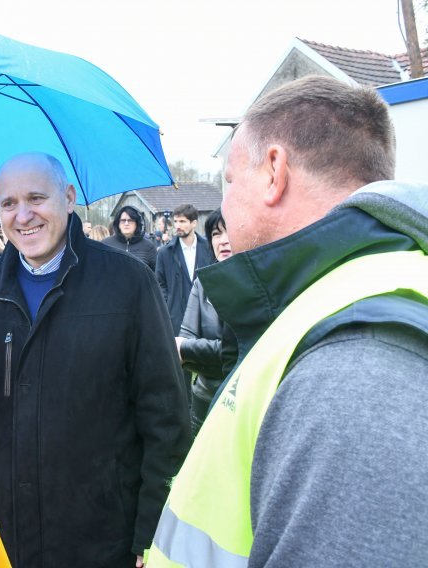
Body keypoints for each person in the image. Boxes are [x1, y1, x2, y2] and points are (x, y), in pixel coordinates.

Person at [148, 76, 428, 566]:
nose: (225, 206)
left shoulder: (357, 360)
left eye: (230, 181)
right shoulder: (334, 300)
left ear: (275, 171)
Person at [0, 152, 192, 567]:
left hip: (103, 533)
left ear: (69, 197)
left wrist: (150, 530)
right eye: (8, 203)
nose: (22, 216)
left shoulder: (128, 283)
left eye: (36, 198)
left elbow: (166, 418)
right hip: (11, 529)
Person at [175, 208, 234, 436]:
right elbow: (184, 341)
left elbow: (236, 352)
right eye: (216, 234)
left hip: (239, 400)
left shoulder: (258, 286)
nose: (223, 240)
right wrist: (191, 350)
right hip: (204, 398)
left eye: (228, 231)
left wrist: (190, 350)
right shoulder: (204, 283)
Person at [155, 204, 213, 334]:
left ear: (194, 223)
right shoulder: (165, 253)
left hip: (206, 316)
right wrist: (168, 306)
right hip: (176, 318)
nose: (177, 226)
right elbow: (160, 284)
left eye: (182, 221)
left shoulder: (209, 248)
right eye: (175, 221)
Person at [102, 205, 158, 270]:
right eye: (123, 220)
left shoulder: (148, 246)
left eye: (130, 220)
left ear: (137, 223)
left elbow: (156, 274)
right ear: (118, 223)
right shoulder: (106, 244)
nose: (126, 223)